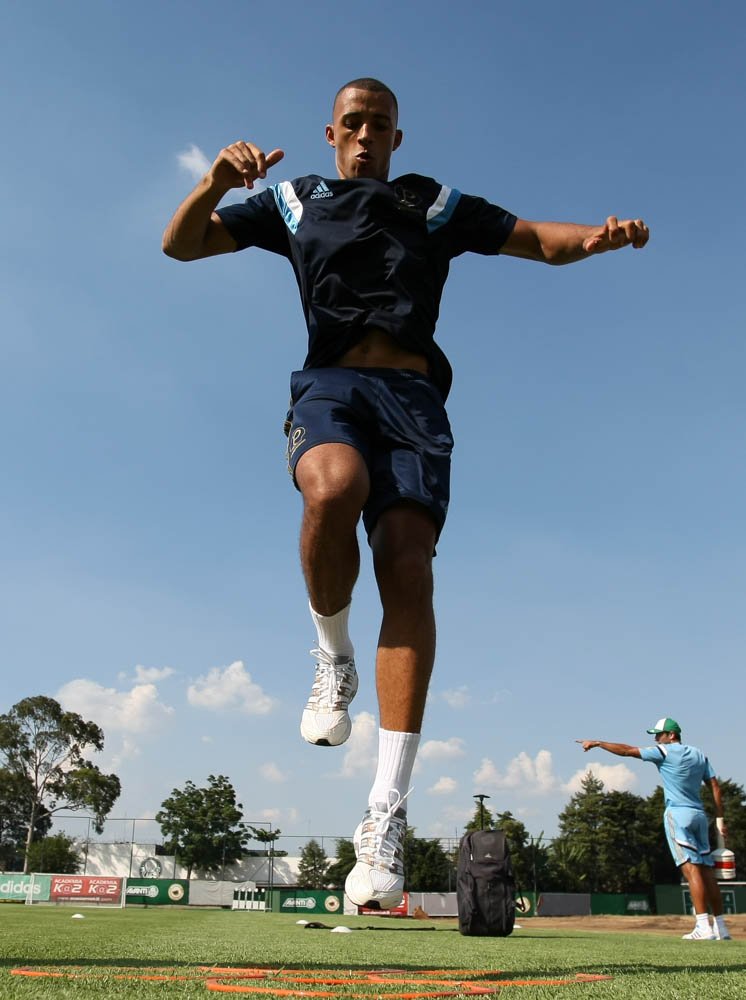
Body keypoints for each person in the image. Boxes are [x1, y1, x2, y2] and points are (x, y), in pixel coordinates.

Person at [163, 77, 649, 909]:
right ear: (330, 132)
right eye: (351, 123)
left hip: (415, 403)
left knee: (407, 566)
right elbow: (182, 245)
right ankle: (333, 655)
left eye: (379, 126)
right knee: (332, 488)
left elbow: (536, 238)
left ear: (395, 137)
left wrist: (600, 239)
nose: (364, 135)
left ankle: (384, 814)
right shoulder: (294, 199)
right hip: (330, 388)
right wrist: (213, 180)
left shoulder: (431, 202)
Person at [578, 718, 731, 940]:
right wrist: (720, 819)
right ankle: (721, 928)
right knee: (707, 871)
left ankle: (703, 926)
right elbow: (715, 786)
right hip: (699, 816)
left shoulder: (664, 752)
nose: (656, 739)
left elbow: (627, 751)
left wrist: (598, 743)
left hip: (678, 815)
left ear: (671, 735)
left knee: (692, 870)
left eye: (659, 735)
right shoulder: (699, 754)